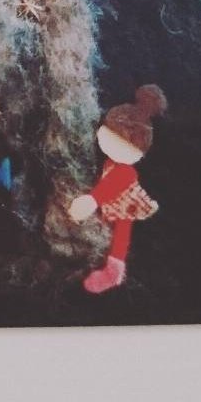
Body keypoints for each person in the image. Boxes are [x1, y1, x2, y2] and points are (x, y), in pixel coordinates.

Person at [68, 84, 167, 293]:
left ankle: (114, 271)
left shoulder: (126, 172)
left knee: (122, 233)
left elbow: (108, 188)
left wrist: (92, 200)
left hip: (124, 205)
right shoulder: (112, 162)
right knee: (117, 229)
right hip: (111, 204)